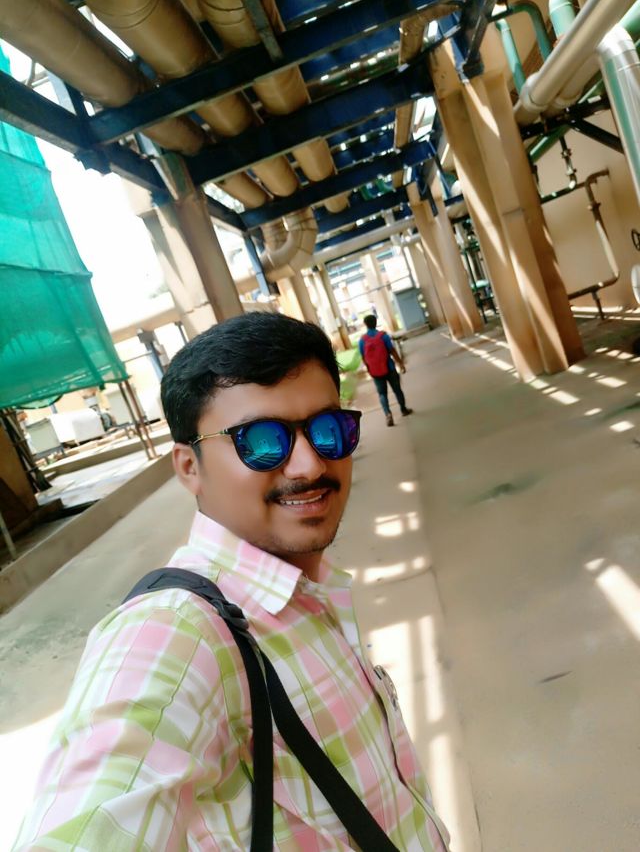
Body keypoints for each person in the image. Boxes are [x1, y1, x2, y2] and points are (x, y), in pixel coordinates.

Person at [13, 313, 448, 852]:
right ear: (188, 467)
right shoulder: (177, 633)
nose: (309, 465)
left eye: (328, 430)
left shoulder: (307, 590)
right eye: (260, 441)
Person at [359, 314, 413, 426]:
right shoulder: (383, 336)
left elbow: (363, 357)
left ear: (365, 325)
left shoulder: (362, 341)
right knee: (397, 390)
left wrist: (370, 369)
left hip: (375, 372)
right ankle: (403, 409)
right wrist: (400, 363)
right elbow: (392, 351)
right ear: (375, 322)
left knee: (382, 394)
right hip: (389, 368)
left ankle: (388, 414)